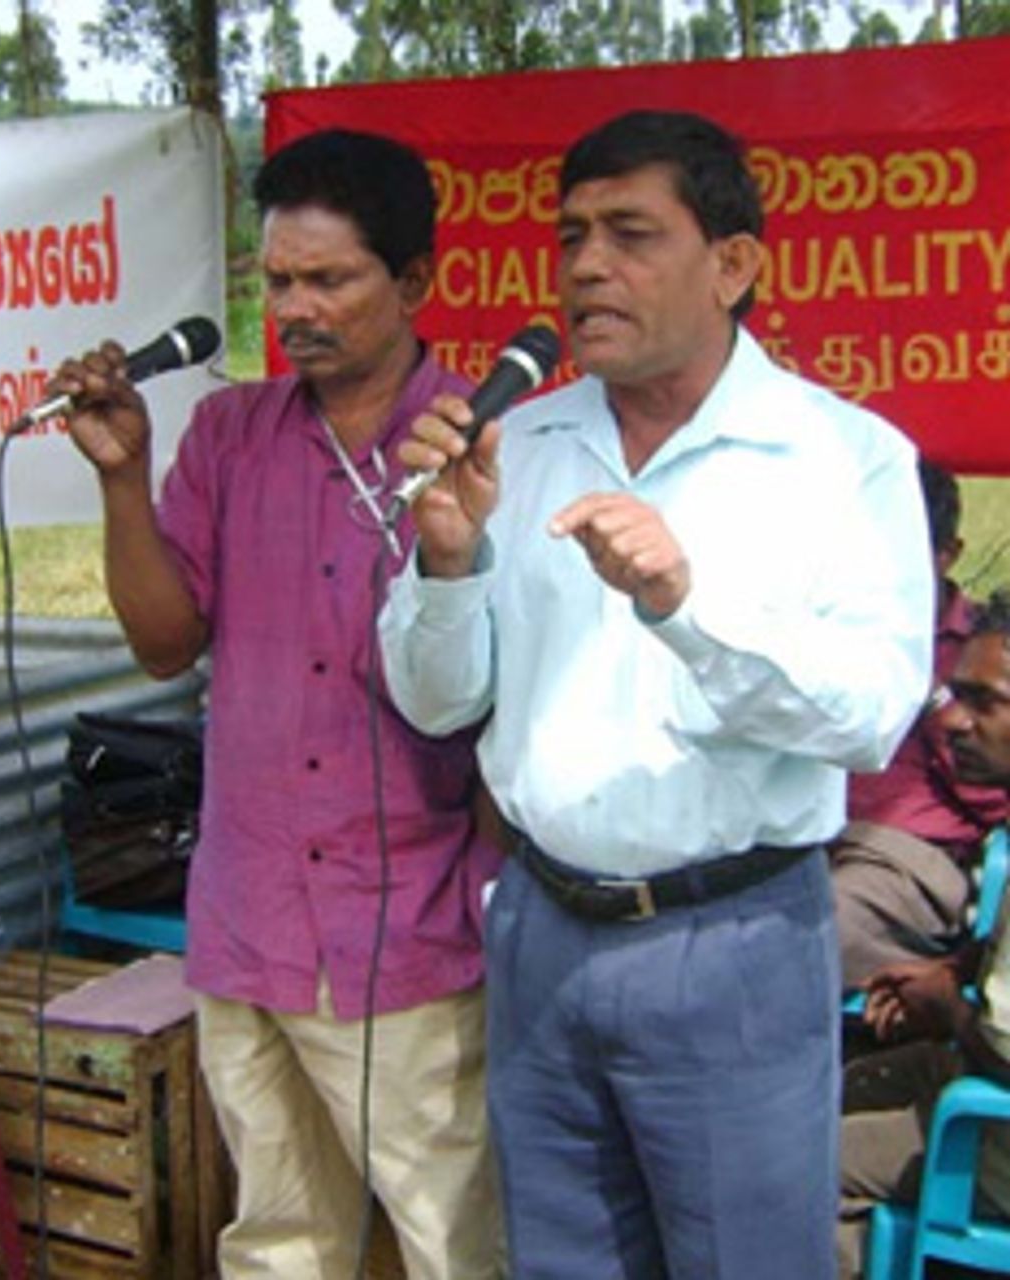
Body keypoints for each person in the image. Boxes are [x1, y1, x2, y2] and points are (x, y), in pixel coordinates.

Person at [379, 109, 934, 1280]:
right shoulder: (514, 446)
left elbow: (871, 710)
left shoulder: (845, 459)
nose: (586, 265)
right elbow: (435, 705)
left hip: (731, 940)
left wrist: (685, 604)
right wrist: (445, 562)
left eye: (631, 232)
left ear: (734, 264)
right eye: (572, 234)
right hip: (540, 928)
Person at [49, 128, 502, 1280]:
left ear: (412, 283)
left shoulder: (484, 437)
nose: (295, 307)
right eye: (278, 280)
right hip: (249, 914)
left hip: (412, 930)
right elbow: (163, 645)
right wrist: (119, 477)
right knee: (281, 1238)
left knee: (450, 1237)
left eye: (329, 280)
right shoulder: (229, 433)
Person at [838, 590, 1010, 1279]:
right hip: (973, 1074)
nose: (954, 725)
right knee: (805, 1097)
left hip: (991, 1125)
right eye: (953, 697)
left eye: (984, 701)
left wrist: (944, 1009)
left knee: (775, 1169)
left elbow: (1002, 1051)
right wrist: (956, 969)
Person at [830, 459, 1009, 988]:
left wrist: (931, 700)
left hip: (911, 857)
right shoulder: (832, 632)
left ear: (946, 555)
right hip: (805, 834)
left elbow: (996, 790)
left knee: (817, 935)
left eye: (898, 554)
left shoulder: (985, 651)